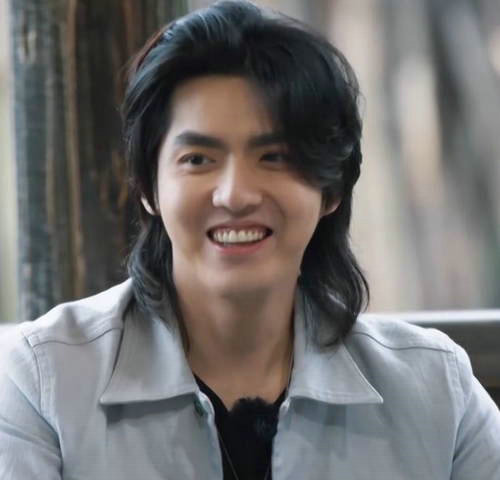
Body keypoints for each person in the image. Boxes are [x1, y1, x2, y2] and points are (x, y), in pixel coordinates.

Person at [1, 1, 499, 478]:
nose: (235, 195)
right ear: (148, 188)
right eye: (198, 159)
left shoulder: (435, 388)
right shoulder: (43, 381)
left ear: (330, 189)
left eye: (274, 157)